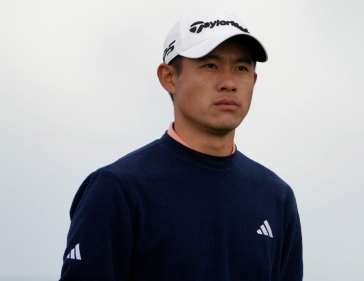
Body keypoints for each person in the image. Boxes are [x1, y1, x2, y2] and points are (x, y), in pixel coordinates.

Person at [60, 9, 302, 280]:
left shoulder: (276, 197)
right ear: (169, 78)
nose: (229, 83)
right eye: (210, 65)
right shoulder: (117, 188)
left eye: (242, 68)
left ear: (254, 81)